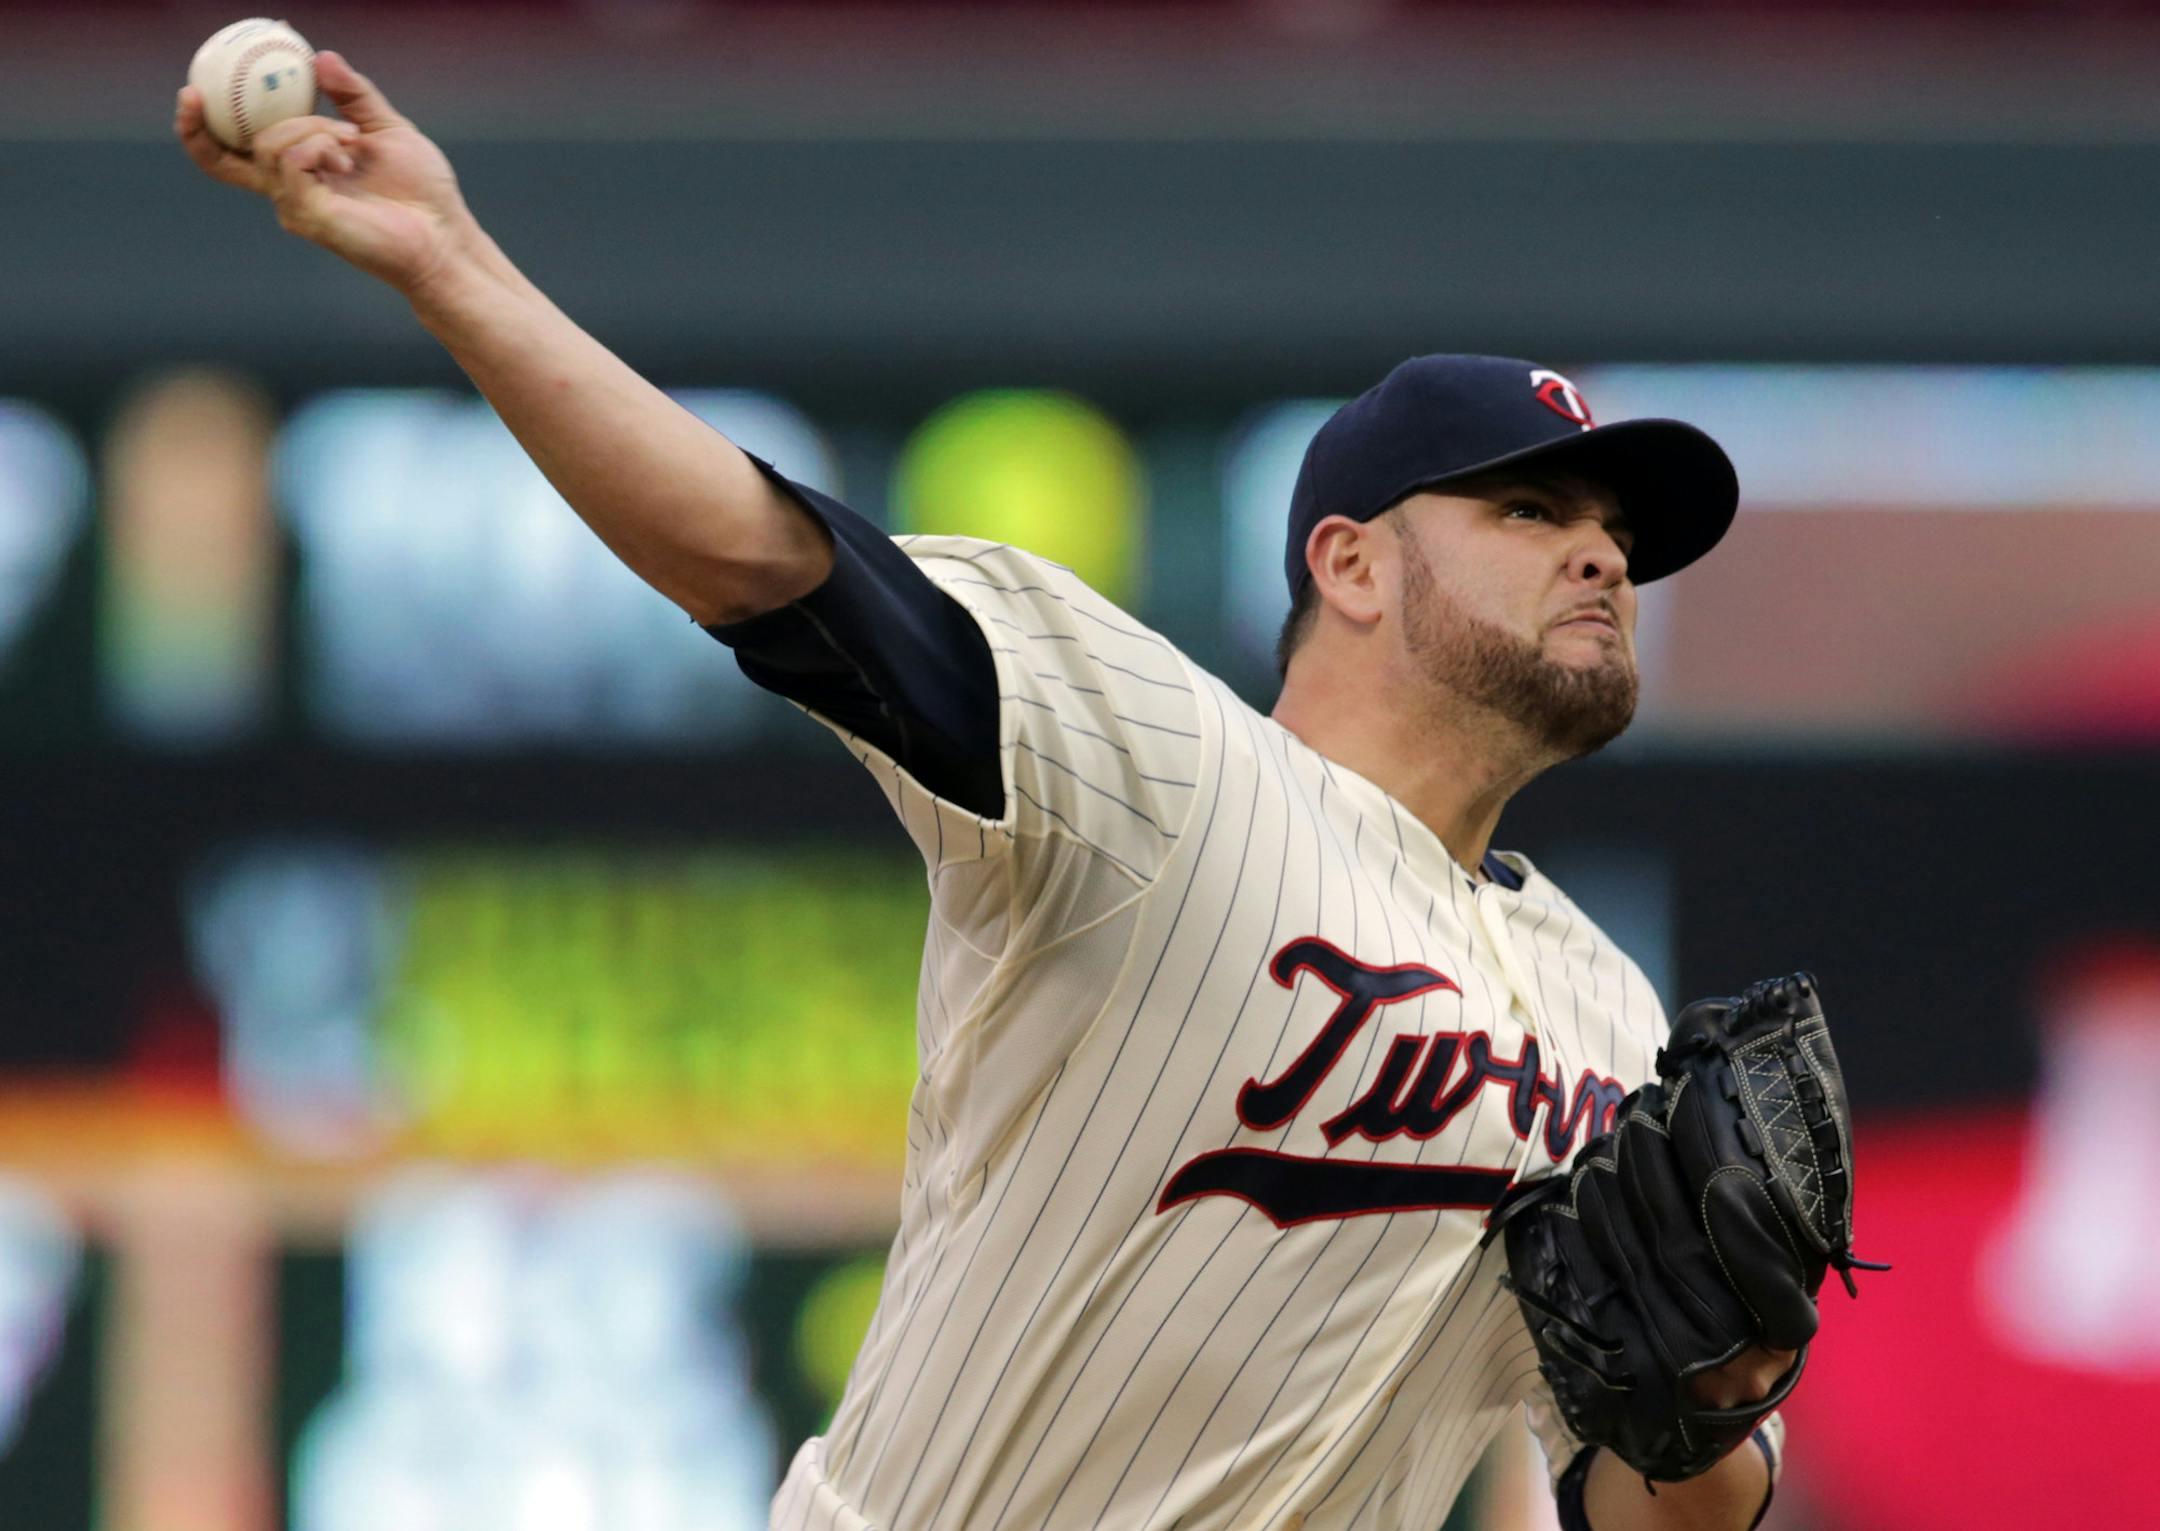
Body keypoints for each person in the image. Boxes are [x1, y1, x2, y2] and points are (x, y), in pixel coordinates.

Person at [178, 56, 1802, 1531]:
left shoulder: (1606, 1014)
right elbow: (751, 554)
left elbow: (1653, 1511)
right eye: (1528, 510)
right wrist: (451, 265)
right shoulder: (1158, 762)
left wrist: (1716, 1400)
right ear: (1351, 564)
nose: (1600, 551)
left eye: (1616, 530)